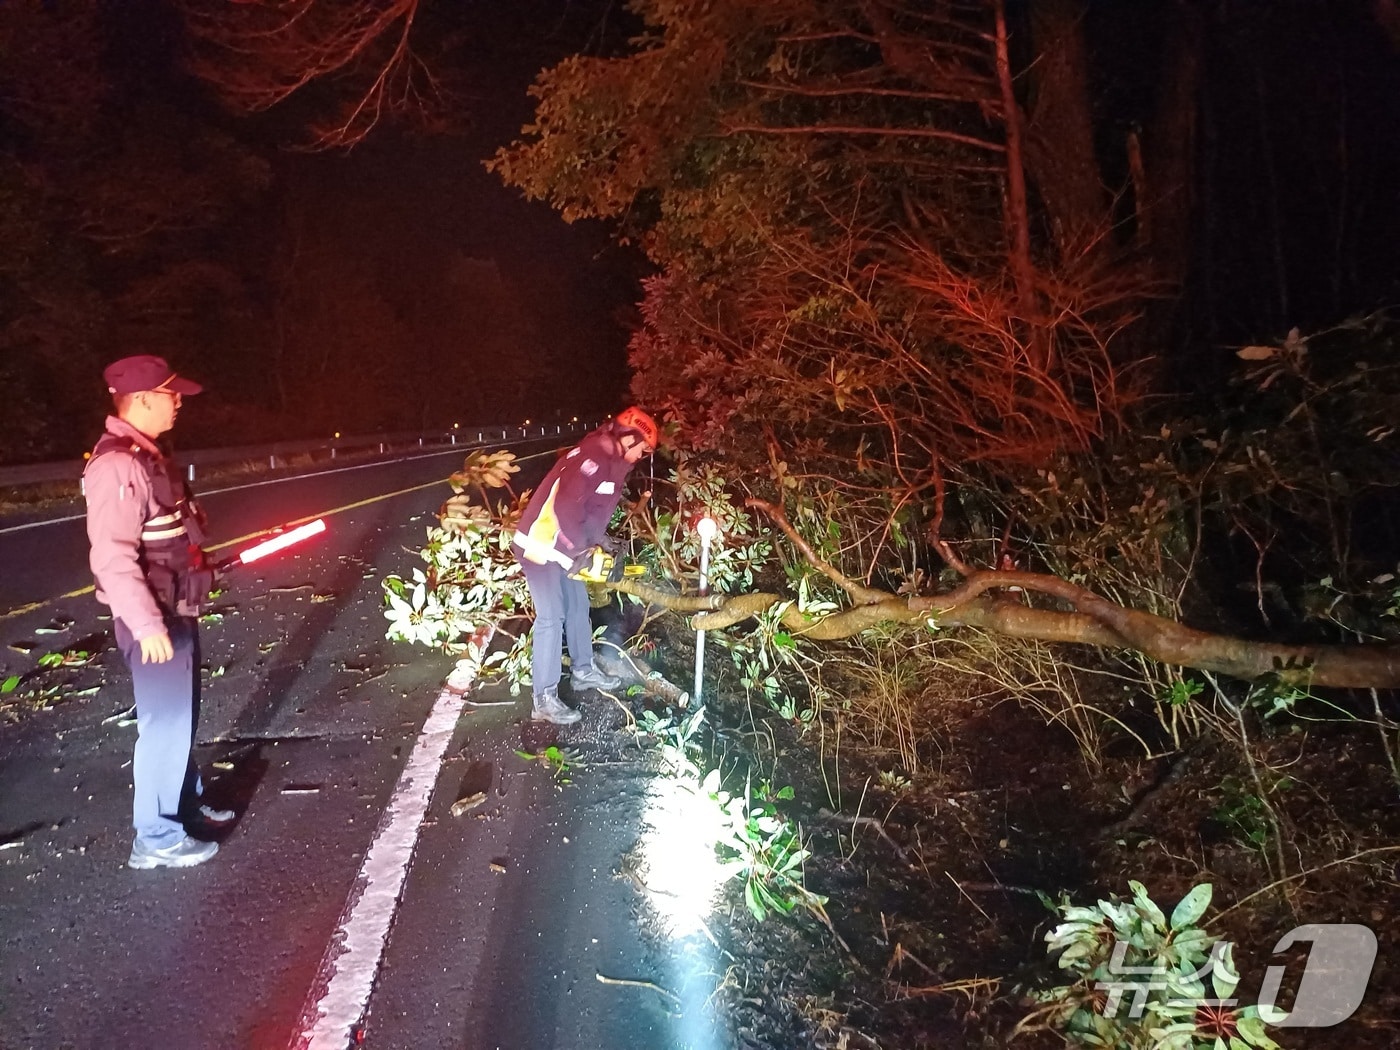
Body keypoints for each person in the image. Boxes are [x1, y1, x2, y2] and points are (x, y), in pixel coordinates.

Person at [84, 354, 233, 869]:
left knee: (181, 719)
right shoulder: (118, 466)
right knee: (164, 723)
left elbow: (166, 538)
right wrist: (146, 624)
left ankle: (182, 805)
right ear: (144, 399)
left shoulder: (147, 457)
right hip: (151, 619)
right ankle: (155, 837)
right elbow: (111, 555)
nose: (178, 404)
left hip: (175, 608)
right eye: (172, 395)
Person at [511, 407, 659, 724]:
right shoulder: (595, 454)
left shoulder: (613, 463)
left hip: (565, 547)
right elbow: (566, 504)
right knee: (552, 617)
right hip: (541, 544)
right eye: (642, 449)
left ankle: (583, 671)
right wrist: (579, 549)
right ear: (629, 437)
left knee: (578, 608)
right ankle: (544, 699)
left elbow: (590, 510)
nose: (640, 456)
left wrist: (602, 541)